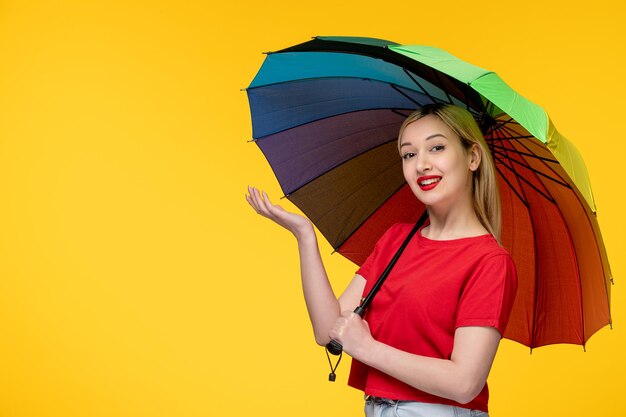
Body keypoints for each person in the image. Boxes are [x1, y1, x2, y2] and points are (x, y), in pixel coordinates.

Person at [246, 103, 517, 417]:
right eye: (409, 154)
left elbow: (464, 383)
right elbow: (329, 331)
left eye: (437, 147)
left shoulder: (489, 261)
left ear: (472, 157)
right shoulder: (396, 240)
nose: (421, 165)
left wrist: (367, 349)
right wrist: (304, 235)